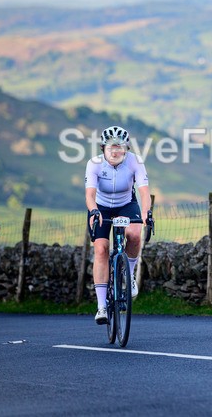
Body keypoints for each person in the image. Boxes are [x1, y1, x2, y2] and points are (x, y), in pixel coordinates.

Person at [85, 125, 153, 324]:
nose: (115, 151)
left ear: (127, 149)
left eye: (120, 147)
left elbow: (144, 191)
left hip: (126, 204)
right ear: (103, 148)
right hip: (101, 206)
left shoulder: (135, 162)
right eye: (111, 147)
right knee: (101, 250)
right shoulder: (94, 164)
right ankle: (101, 307)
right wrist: (94, 211)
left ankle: (129, 276)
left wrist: (146, 213)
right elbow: (89, 194)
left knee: (134, 234)